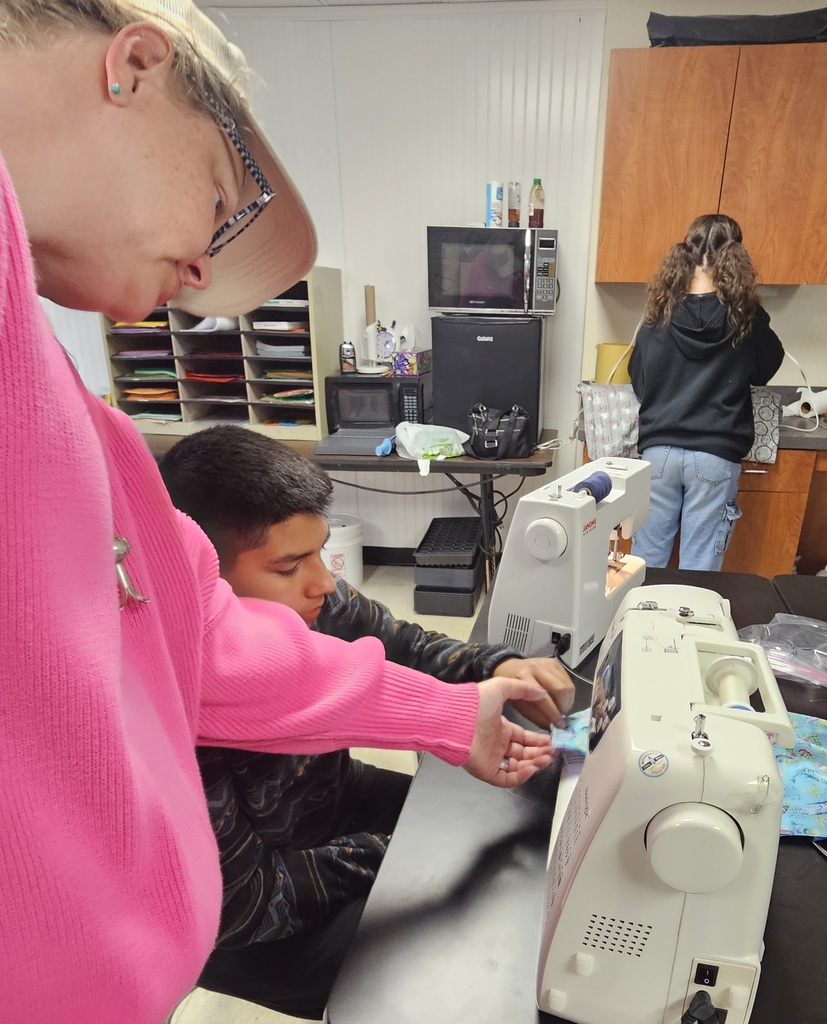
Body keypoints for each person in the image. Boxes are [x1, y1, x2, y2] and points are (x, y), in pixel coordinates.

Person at [0, 3, 555, 1021]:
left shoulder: (75, 418)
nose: (204, 276)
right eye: (217, 193)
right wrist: (407, 843)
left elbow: (201, 640)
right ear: (133, 70)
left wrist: (458, 700)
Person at [158, 425, 575, 1017]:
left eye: (319, 551)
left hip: (335, 803)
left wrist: (496, 661)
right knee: (471, 972)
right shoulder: (174, 725)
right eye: (288, 566)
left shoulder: (316, 598)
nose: (324, 583)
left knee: (518, 844)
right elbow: (245, 905)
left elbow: (400, 641)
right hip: (257, 919)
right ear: (203, 585)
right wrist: (400, 854)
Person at [628, 214, 784, 571]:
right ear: (735, 255)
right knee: (699, 569)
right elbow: (765, 369)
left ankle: (637, 624)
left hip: (659, 455)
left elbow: (640, 380)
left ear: (687, 250)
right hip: (715, 454)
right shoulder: (746, 316)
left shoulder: (659, 313)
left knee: (645, 565)